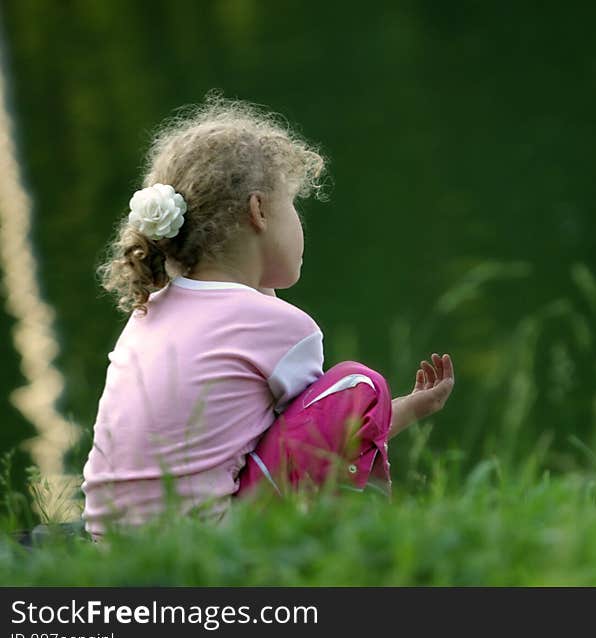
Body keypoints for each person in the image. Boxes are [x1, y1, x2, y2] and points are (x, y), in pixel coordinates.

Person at [81, 92, 455, 539]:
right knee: (360, 386)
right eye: (293, 205)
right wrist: (411, 408)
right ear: (259, 212)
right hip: (204, 548)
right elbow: (326, 435)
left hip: (107, 542)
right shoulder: (280, 327)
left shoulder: (151, 309)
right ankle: (361, 539)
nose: (298, 222)